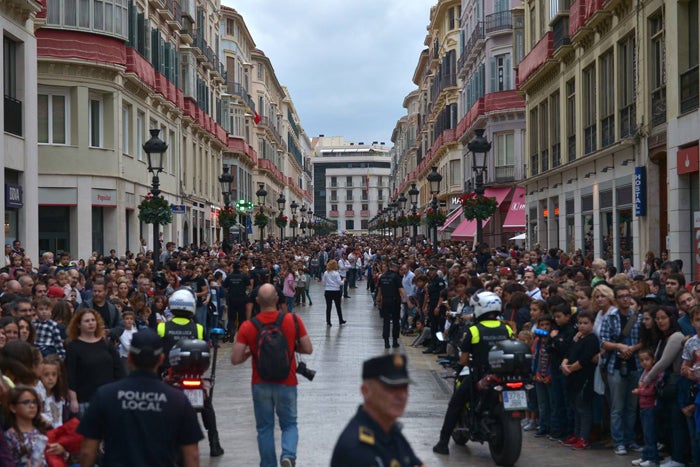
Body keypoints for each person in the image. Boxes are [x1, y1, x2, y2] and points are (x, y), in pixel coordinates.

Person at [78, 329, 204, 466]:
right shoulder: (178, 400)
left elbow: (87, 452)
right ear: (161, 359)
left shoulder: (105, 396)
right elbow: (192, 455)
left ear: (130, 358)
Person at [231, 283, 313, 467]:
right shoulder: (293, 320)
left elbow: (235, 359)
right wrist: (292, 346)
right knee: (289, 424)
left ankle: (268, 464)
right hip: (287, 381)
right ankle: (288, 455)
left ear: (257, 301)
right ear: (277, 299)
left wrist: (251, 351)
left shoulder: (248, 326)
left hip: (260, 382)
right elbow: (308, 348)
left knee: (265, 428)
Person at [432, 290, 512, 455]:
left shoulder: (474, 330)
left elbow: (463, 360)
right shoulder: (506, 329)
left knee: (455, 404)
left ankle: (443, 442)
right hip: (503, 375)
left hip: (480, 375)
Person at [156, 288, 222, 457]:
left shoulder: (162, 327)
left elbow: (156, 349)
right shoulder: (198, 327)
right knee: (207, 406)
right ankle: (214, 443)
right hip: (193, 375)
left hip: (171, 376)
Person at [330, 354, 425, 467]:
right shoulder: (357, 449)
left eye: (404, 387)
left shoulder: (391, 432)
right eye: (391, 388)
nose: (401, 396)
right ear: (366, 391)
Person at [65, 309, 124, 418]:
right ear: (78, 325)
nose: (91, 323)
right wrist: (73, 400)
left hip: (109, 399)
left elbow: (119, 370)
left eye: (93, 320)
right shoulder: (73, 347)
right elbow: (70, 376)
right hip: (85, 400)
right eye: (87, 321)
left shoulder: (106, 343)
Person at [560, 311, 600, 450]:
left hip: (584, 378)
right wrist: (564, 364)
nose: (582, 326)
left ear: (592, 324)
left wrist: (570, 369)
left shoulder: (592, 339)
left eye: (586, 323)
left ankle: (584, 437)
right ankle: (576, 434)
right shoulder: (578, 338)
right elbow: (569, 353)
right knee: (576, 408)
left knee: (583, 408)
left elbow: (585, 359)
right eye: (580, 323)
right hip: (573, 378)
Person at [3, 386, 50, 466]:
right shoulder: (9, 436)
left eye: (34, 402)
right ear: (13, 408)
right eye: (26, 402)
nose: (32, 406)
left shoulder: (44, 428)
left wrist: (61, 450)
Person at [376, 261, 407, 349]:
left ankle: (386, 342)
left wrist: (378, 300)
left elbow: (380, 290)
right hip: (395, 301)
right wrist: (407, 300)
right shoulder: (396, 277)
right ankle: (394, 341)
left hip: (385, 300)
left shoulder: (382, 277)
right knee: (395, 321)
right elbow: (401, 289)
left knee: (386, 321)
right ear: (395, 268)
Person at [322, 259, 345, 327]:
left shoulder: (326, 273)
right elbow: (340, 283)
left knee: (328, 307)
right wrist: (343, 280)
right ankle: (340, 320)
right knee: (338, 306)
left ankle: (328, 321)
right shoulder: (336, 273)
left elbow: (324, 282)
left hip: (328, 291)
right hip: (336, 291)